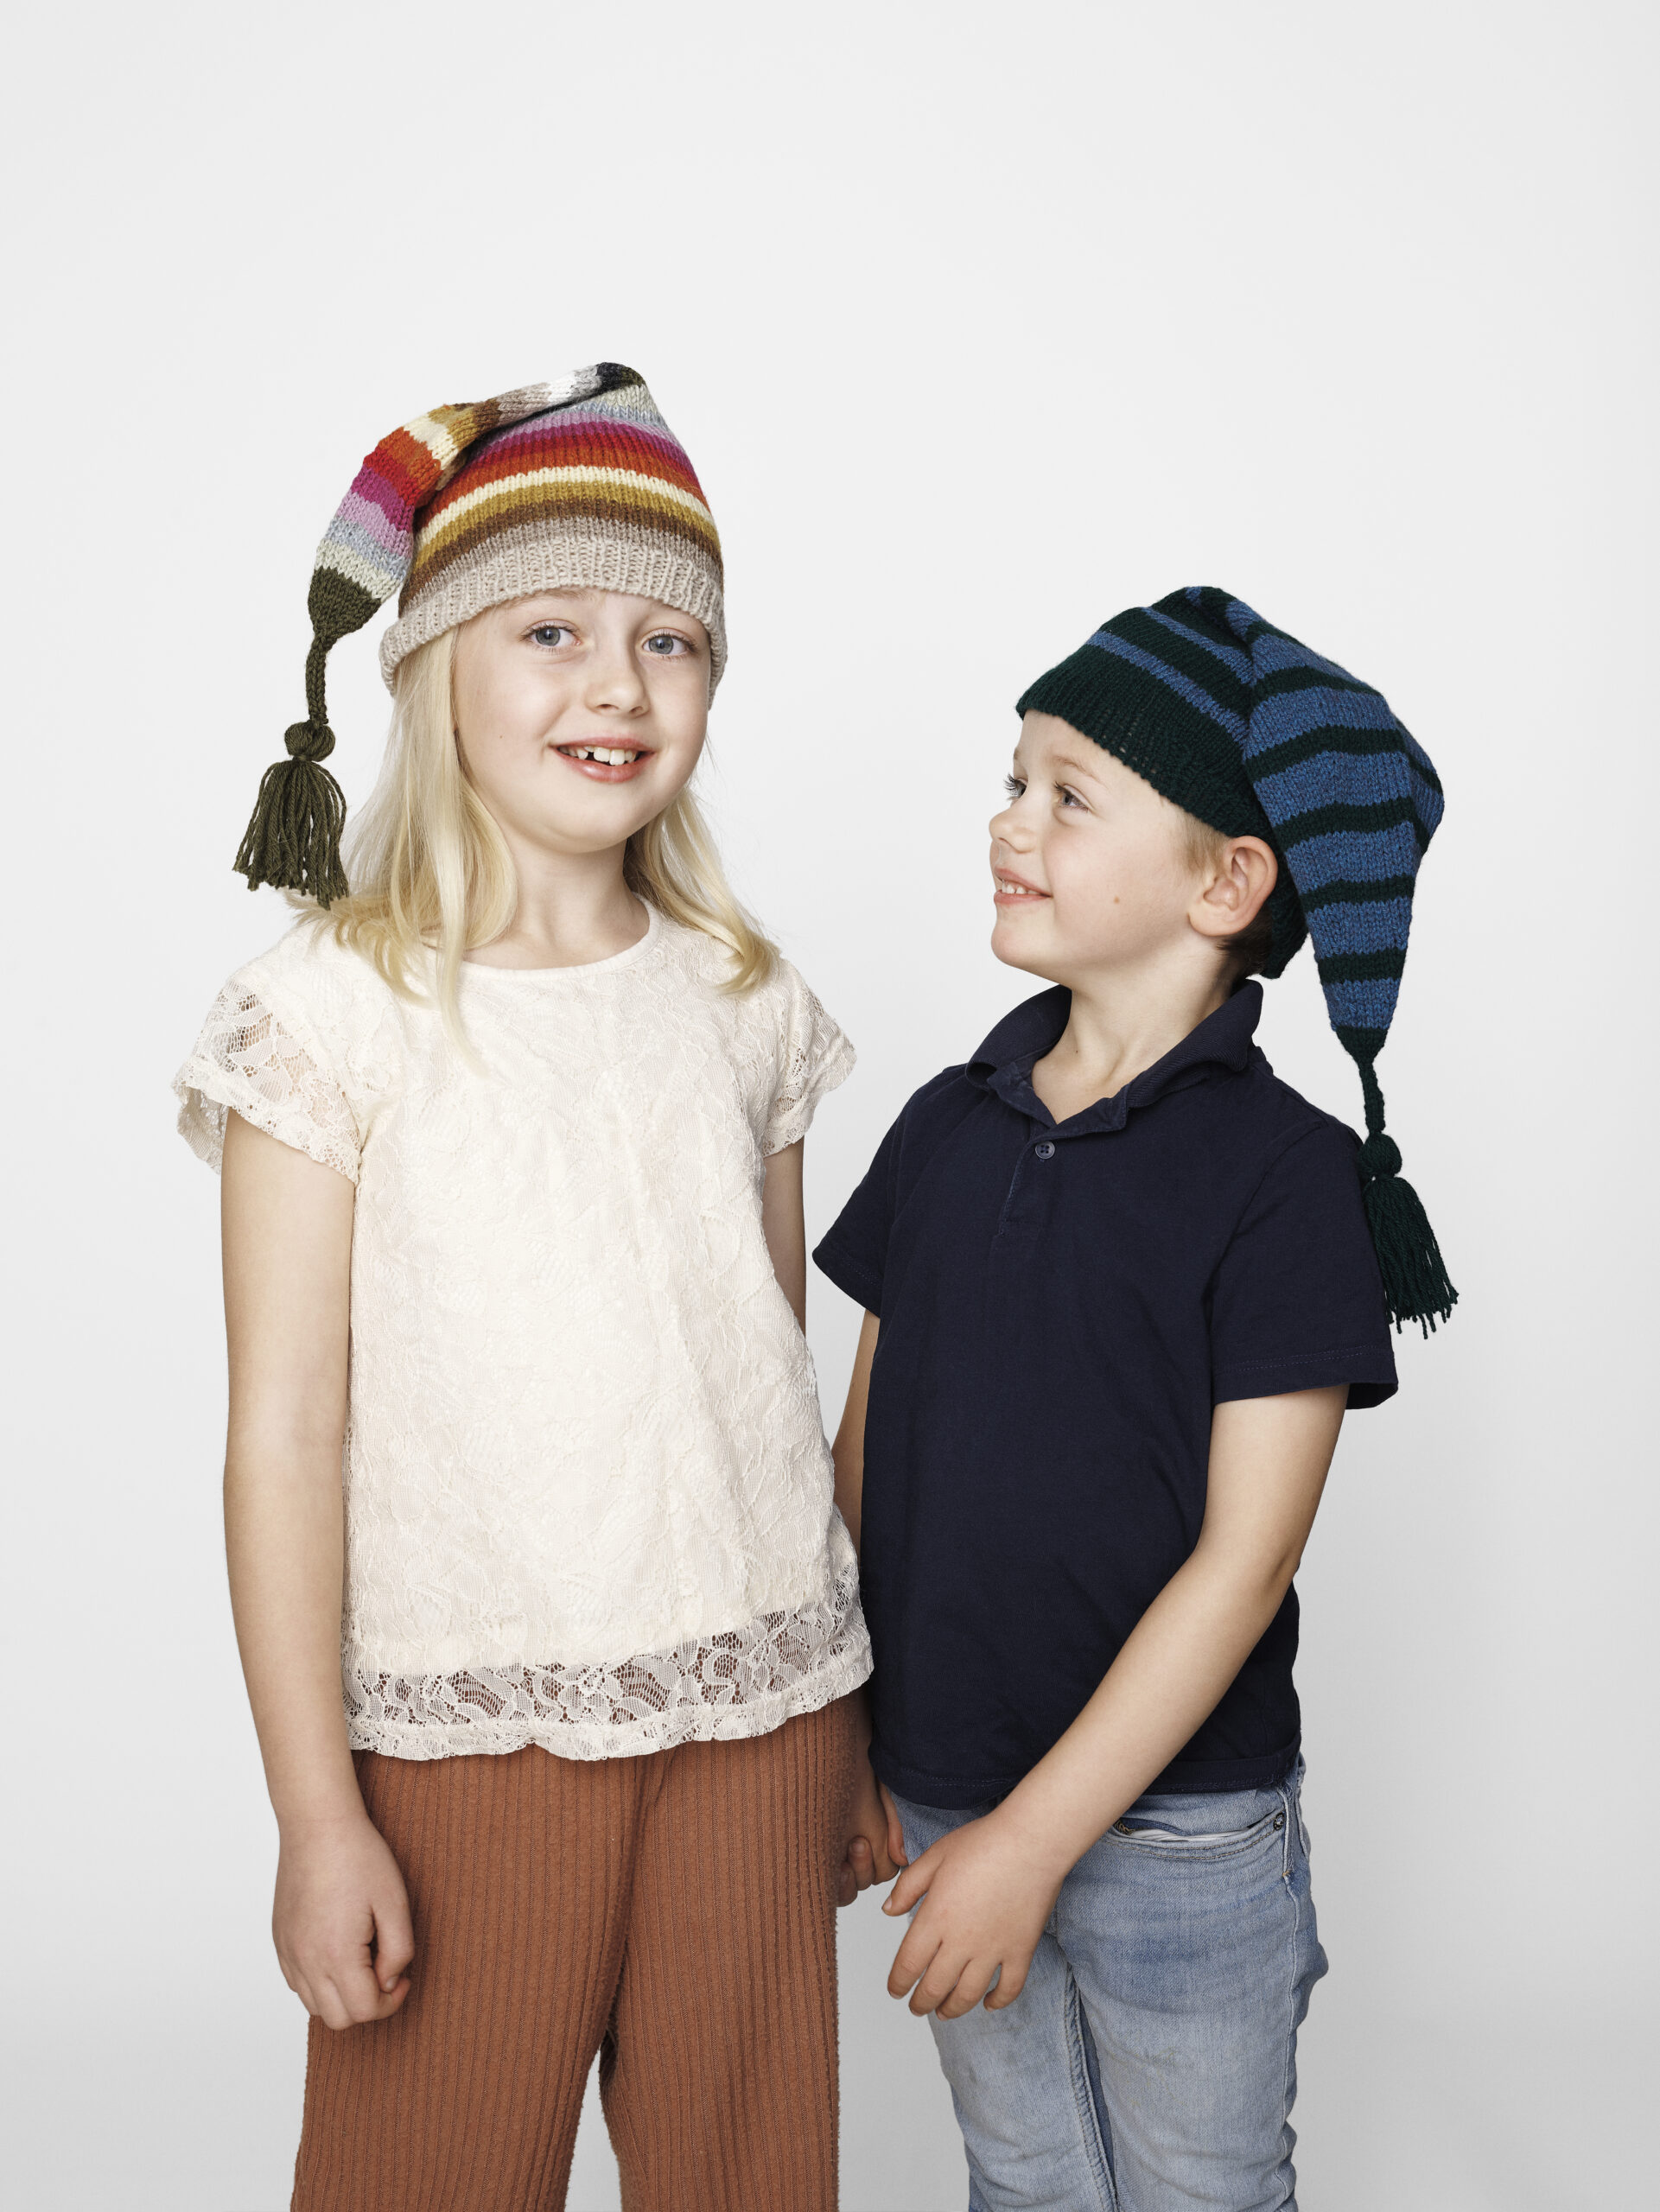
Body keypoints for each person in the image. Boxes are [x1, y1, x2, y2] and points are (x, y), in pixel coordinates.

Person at [175, 365, 895, 2212]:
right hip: (467, 1726)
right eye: (552, 629)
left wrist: (849, 1722)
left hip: (761, 1713)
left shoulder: (741, 997)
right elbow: (284, 1436)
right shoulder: (327, 1014)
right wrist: (317, 1813)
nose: (619, 686)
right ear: (435, 667)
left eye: (672, 641)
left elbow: (765, 1375)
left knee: (750, 2182)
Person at [814, 587, 1454, 2211]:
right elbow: (863, 1450)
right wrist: (848, 1734)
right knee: (1024, 2181)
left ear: (1225, 882)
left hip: (1180, 1839)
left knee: (1200, 2190)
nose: (1007, 822)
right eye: (1011, 779)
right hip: (940, 1781)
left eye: (1067, 794)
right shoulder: (945, 1122)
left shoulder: (1284, 1178)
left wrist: (1037, 1845)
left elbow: (1246, 1560)